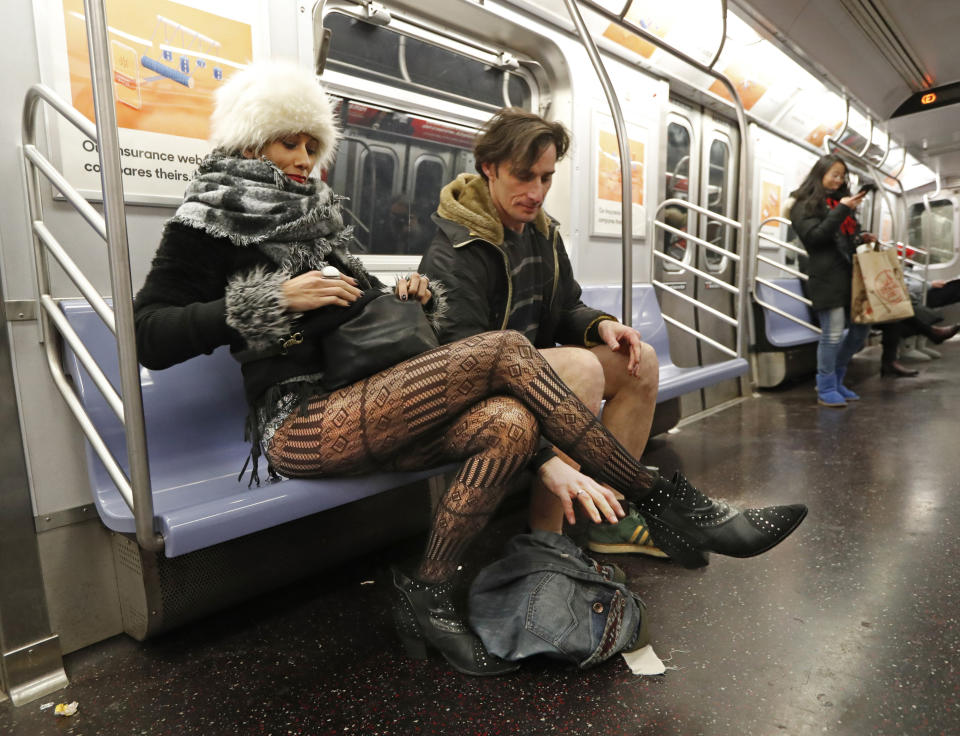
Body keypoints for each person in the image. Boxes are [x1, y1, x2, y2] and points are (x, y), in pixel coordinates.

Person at [134, 61, 806, 678]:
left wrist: (395, 296)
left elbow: (354, 313)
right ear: (252, 143)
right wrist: (270, 299)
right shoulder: (208, 225)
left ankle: (425, 590)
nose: (306, 160)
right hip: (299, 424)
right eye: (290, 144)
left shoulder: (318, 225)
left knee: (510, 423)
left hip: (361, 401)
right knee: (506, 348)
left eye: (314, 146)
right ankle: (665, 500)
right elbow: (150, 335)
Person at [419, 107, 665, 558]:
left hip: (531, 372)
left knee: (640, 360)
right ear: (489, 168)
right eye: (523, 176)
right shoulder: (456, 248)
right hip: (474, 388)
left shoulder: (542, 234)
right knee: (580, 367)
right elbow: (462, 354)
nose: (536, 192)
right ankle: (546, 542)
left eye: (546, 178)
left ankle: (607, 516)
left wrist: (603, 325)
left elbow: (565, 306)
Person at [790, 154, 873, 407]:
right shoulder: (803, 204)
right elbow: (815, 238)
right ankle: (825, 386)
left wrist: (862, 238)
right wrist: (842, 209)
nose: (839, 180)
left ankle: (837, 378)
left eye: (842, 176)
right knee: (833, 333)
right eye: (834, 175)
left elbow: (845, 239)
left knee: (861, 330)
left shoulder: (840, 203)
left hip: (850, 276)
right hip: (826, 277)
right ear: (820, 174)